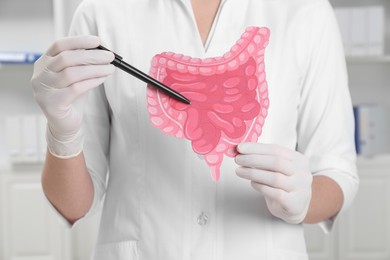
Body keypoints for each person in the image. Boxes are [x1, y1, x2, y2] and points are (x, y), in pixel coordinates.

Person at [31, 0, 359, 259]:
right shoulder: (102, 11)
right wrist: (62, 131)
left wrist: (305, 199)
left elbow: (338, 172)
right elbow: (74, 207)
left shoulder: (307, 12)